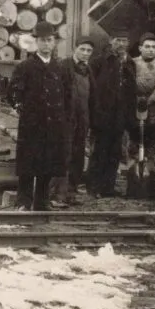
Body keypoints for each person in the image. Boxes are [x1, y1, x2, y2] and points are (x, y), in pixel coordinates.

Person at [8, 22, 71, 211]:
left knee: (48, 163)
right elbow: (12, 93)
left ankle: (42, 202)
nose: (46, 44)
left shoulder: (60, 68)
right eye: (42, 41)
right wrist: (24, 110)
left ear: (54, 43)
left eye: (49, 40)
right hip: (32, 124)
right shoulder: (25, 67)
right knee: (28, 164)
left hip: (53, 124)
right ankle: (23, 201)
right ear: (36, 43)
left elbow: (68, 95)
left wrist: (63, 117)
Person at [86, 28, 136, 198]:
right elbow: (92, 89)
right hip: (103, 114)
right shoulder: (99, 62)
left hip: (120, 115)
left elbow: (131, 91)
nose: (121, 44)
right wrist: (95, 113)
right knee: (100, 150)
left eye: (124, 41)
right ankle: (93, 187)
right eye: (118, 40)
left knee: (115, 152)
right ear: (111, 41)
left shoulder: (130, 63)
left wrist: (129, 116)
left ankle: (108, 187)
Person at [53, 37, 95, 206]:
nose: (85, 53)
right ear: (75, 49)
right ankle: (57, 195)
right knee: (64, 155)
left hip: (82, 119)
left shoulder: (88, 69)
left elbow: (91, 96)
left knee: (77, 156)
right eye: (82, 49)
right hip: (66, 120)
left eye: (89, 51)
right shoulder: (64, 66)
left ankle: (71, 192)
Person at [127, 32, 155, 194]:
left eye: (154, 47)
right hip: (136, 106)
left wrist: (150, 100)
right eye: (147, 47)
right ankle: (133, 177)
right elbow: (130, 83)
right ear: (140, 48)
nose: (151, 50)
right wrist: (136, 99)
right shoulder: (132, 63)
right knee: (133, 141)